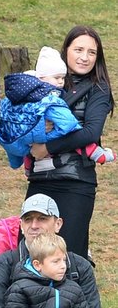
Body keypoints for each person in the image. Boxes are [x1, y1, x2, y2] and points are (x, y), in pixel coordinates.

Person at [26, 26, 114, 260]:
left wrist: (48, 147)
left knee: (68, 257)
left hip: (76, 183)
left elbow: (90, 133)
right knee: (30, 256)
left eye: (92, 52)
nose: (85, 57)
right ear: (65, 51)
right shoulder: (43, 83)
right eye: (79, 50)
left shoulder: (99, 88)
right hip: (40, 180)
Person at [0, 46, 112, 170]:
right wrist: (77, 130)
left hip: (11, 140)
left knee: (29, 144)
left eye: (63, 78)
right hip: (46, 147)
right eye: (57, 78)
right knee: (69, 129)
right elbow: (68, 123)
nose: (61, 82)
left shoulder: (21, 92)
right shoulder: (50, 99)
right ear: (41, 78)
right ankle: (93, 151)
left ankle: (27, 164)